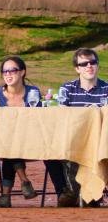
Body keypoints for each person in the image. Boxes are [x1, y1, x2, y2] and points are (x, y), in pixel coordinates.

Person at [45, 48, 108, 207]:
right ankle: (66, 192)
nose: (89, 66)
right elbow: (61, 115)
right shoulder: (67, 88)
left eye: (93, 62)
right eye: (84, 63)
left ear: (97, 65)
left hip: (100, 142)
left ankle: (92, 192)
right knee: (48, 150)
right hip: (73, 140)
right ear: (77, 68)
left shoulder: (107, 88)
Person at [0, 56, 41, 207]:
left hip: (31, 139)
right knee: (8, 141)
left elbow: (39, 118)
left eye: (13, 70)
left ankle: (6, 196)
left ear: (22, 72)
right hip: (2, 140)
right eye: (5, 71)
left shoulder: (33, 92)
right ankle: (23, 180)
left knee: (10, 143)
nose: (8, 74)